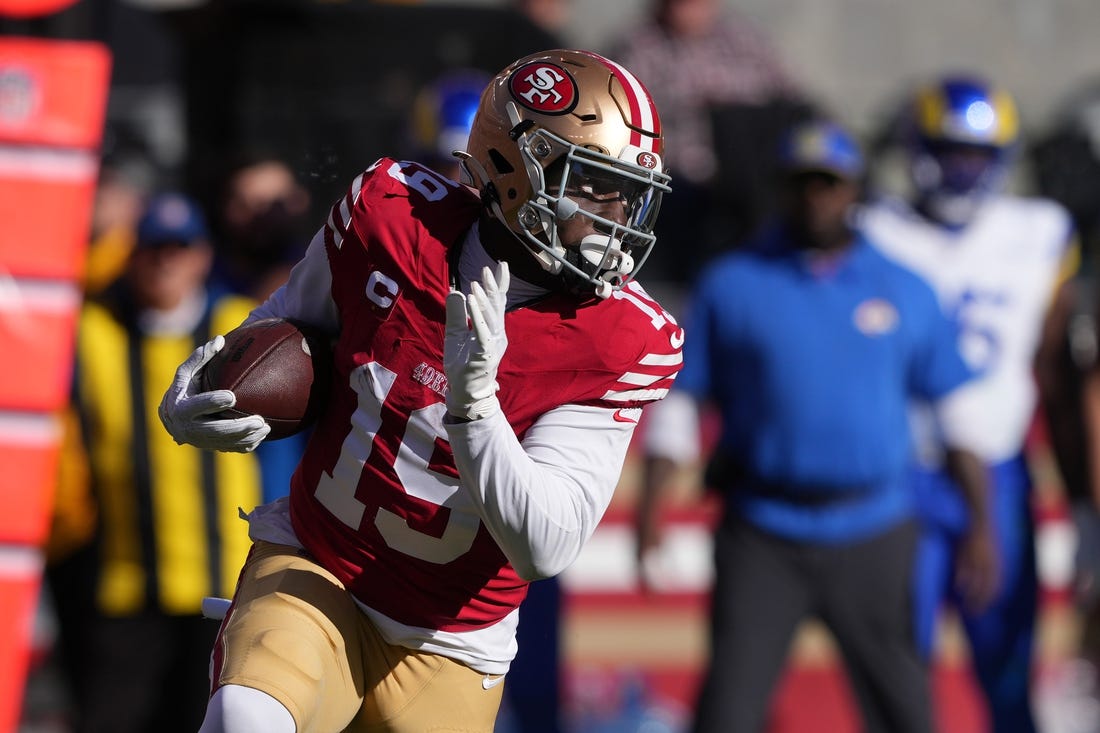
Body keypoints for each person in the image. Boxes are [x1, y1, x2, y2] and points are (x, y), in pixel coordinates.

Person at [157, 49, 682, 733]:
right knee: (244, 719)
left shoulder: (623, 335)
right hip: (320, 565)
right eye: (592, 184)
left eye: (627, 192)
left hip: (454, 637)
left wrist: (475, 406)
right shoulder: (391, 214)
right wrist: (204, 390)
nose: (616, 215)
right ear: (512, 167)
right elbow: (284, 326)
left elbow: (544, 545)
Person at [637, 119, 994, 733]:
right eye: (802, 183)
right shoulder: (733, 285)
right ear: (781, 189)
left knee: (905, 707)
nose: (816, 196)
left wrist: (981, 525)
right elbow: (682, 405)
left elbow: (957, 416)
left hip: (875, 529)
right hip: (764, 531)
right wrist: (651, 514)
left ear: (855, 190)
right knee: (729, 708)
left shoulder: (904, 287)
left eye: (830, 183)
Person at [859, 75, 1079, 733]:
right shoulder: (874, 227)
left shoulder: (1038, 230)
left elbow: (1054, 360)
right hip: (903, 473)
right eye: (949, 150)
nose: (963, 170)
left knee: (1009, 667)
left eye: (978, 156)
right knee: (898, 671)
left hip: (1000, 471)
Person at [45, 192, 264, 733]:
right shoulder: (93, 331)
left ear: (203, 255)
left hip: (226, 586)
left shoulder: (243, 328)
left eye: (180, 247)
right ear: (128, 255)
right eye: (151, 248)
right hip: (125, 585)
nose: (166, 261)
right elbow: (39, 291)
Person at [607, 0, 807, 289]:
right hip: (673, 188)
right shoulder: (636, 45)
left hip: (748, 185)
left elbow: (793, 99)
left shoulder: (743, 40)